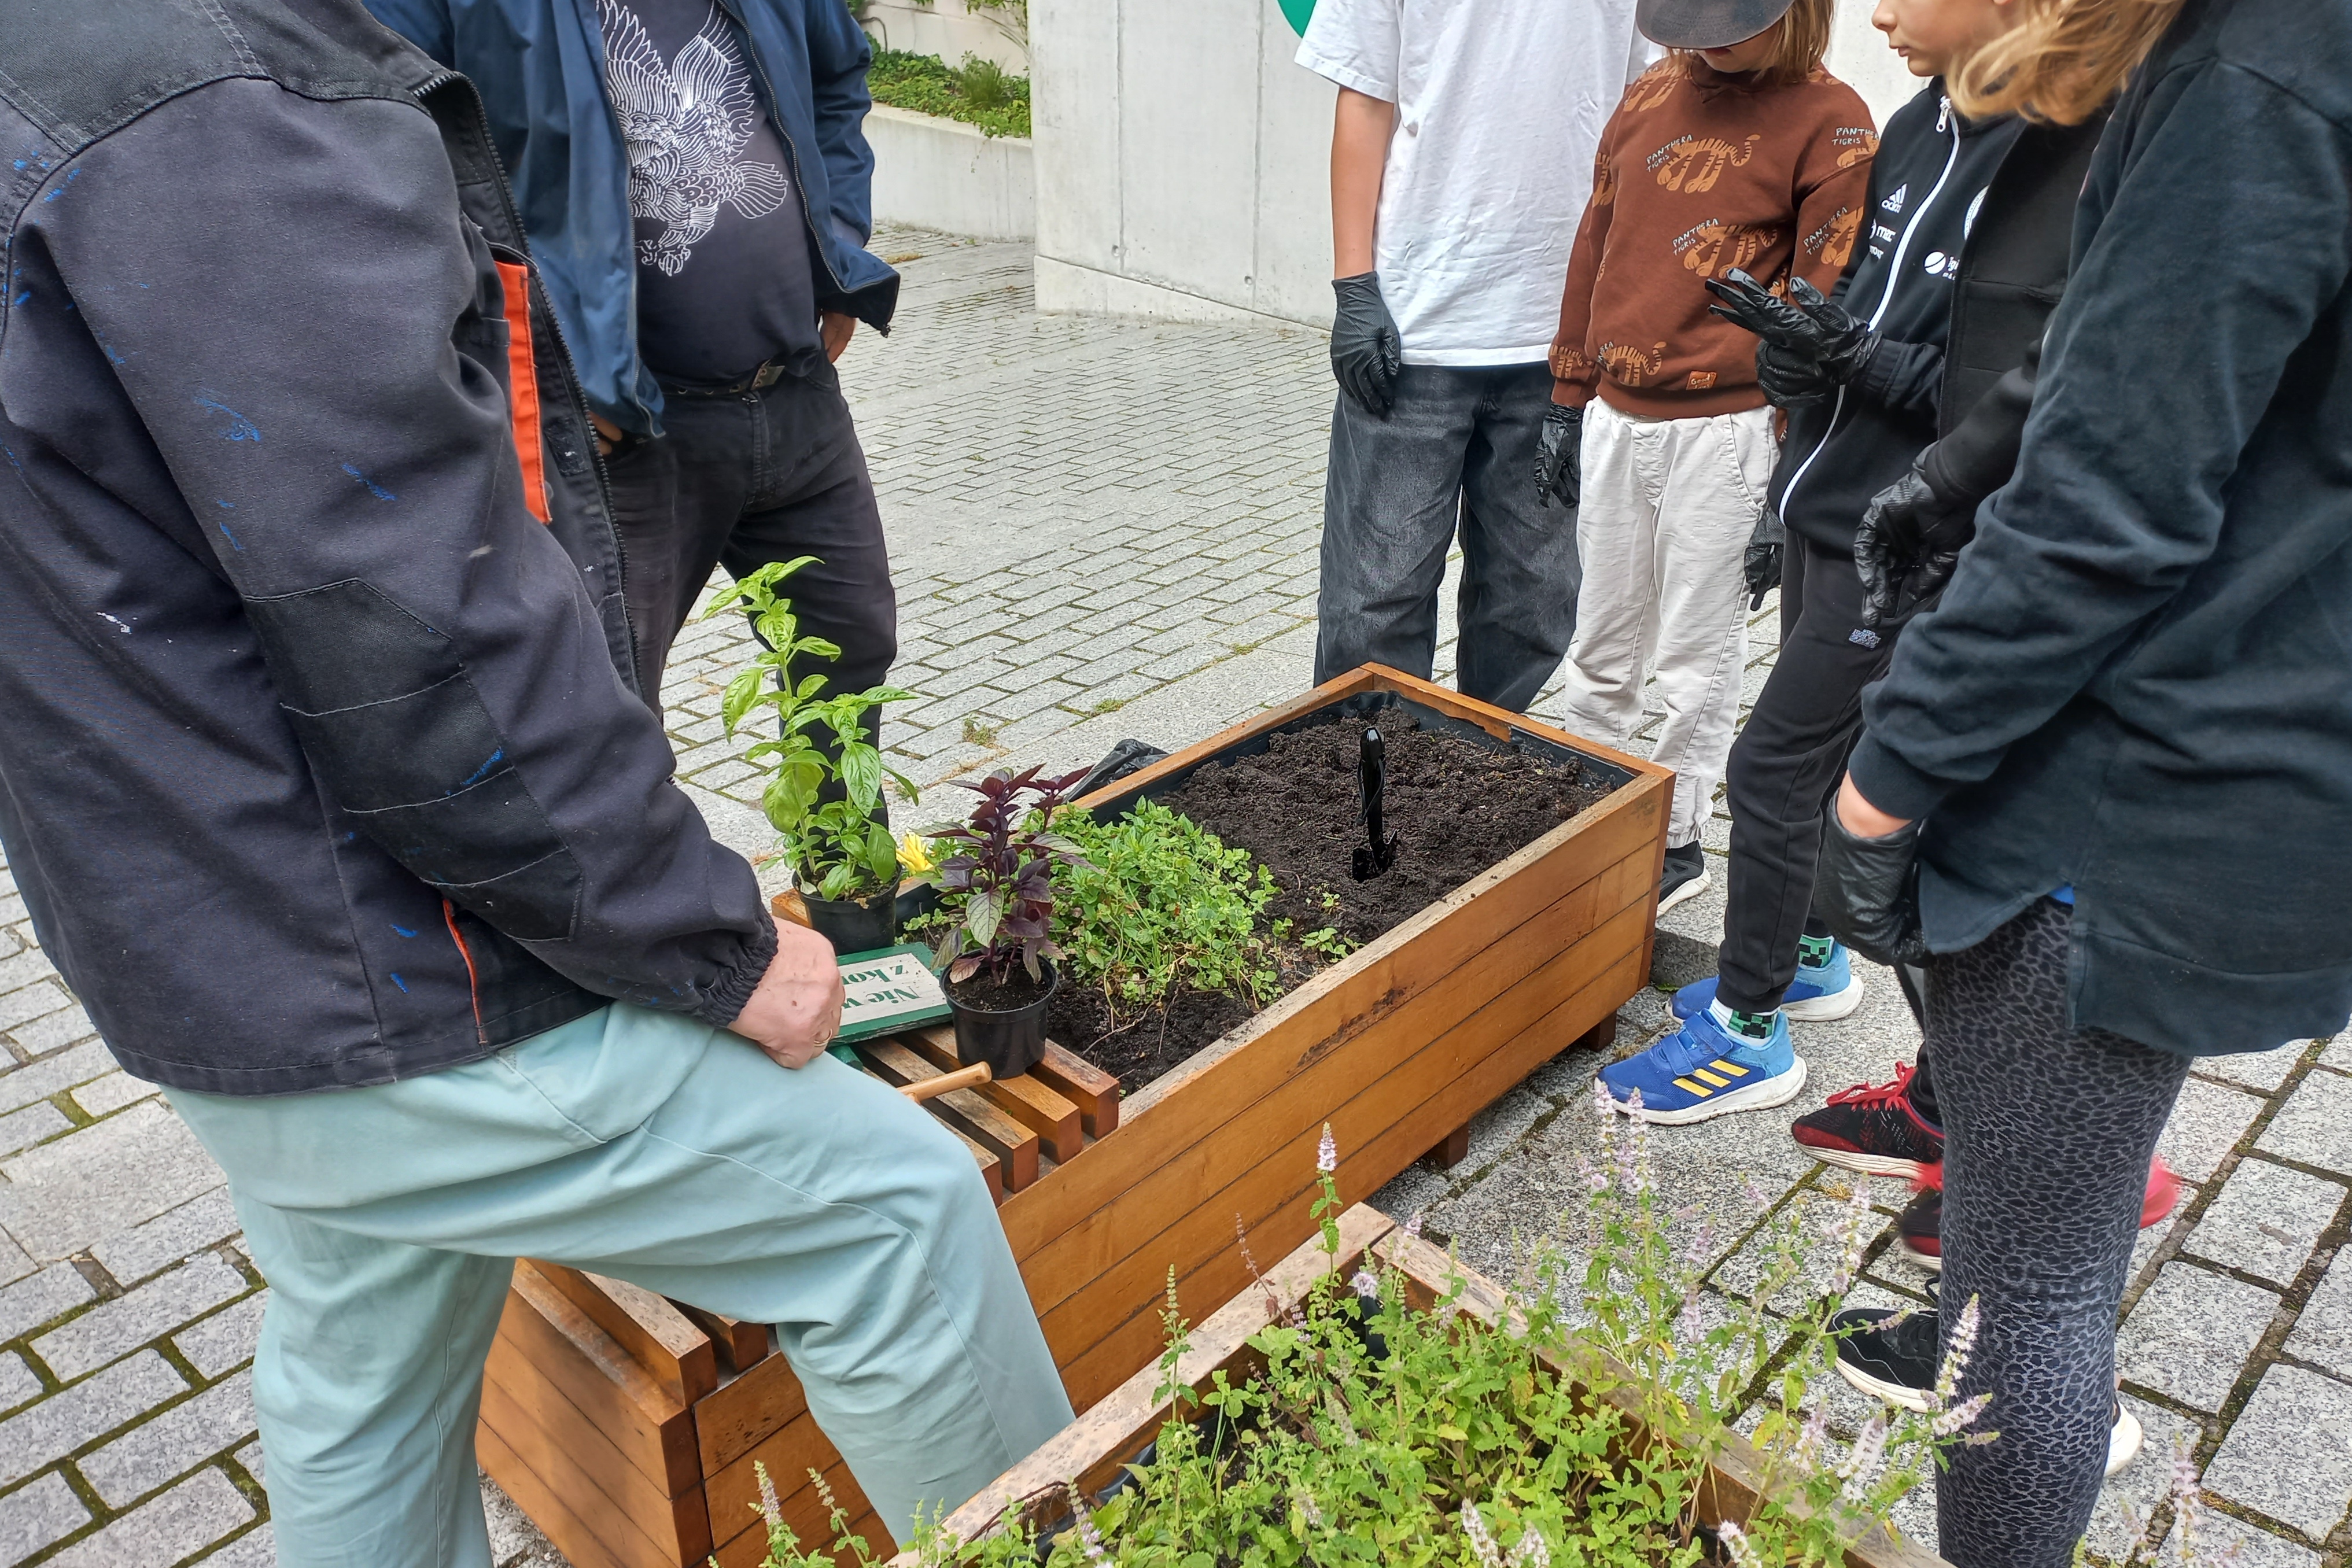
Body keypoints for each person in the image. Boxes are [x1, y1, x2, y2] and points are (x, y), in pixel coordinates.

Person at [0, 3, 1071, 1563]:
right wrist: (717, 942)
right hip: (380, 955)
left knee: (366, 1334)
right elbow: (419, 615)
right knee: (891, 1214)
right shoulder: (208, 90)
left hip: (218, 943)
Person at [1811, 0, 2352, 1558]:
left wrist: (1885, 779)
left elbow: (2106, 510)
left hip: (2133, 788)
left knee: (2027, 1288)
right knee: (2040, 1240)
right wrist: (1958, 466)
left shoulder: (2271, 60)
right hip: (2276, 748)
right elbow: (2125, 334)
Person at [366, 0, 901, 719]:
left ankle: (842, 839)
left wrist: (839, 244)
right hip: (620, 435)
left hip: (797, 392)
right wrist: (547, 368)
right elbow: (382, 165)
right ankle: (639, 840)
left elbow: (838, 79)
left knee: (850, 656)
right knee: (609, 709)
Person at [1538, 0, 1876, 1120]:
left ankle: (1671, 847)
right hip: (1620, 414)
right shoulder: (1646, 96)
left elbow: (1823, 298)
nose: (1705, 37)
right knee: (1597, 648)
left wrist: (1788, 467)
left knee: (1694, 658)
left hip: (1729, 424)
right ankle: (1586, 835)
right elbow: (1594, 238)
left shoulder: (1830, 123)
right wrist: (1566, 389)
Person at [1298, 0, 1653, 714]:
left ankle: (1483, 774)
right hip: (1415, 331)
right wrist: (1353, 284)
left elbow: (1649, 108)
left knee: (1535, 601)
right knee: (1374, 601)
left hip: (1563, 339)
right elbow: (1365, 101)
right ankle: (1367, 792)